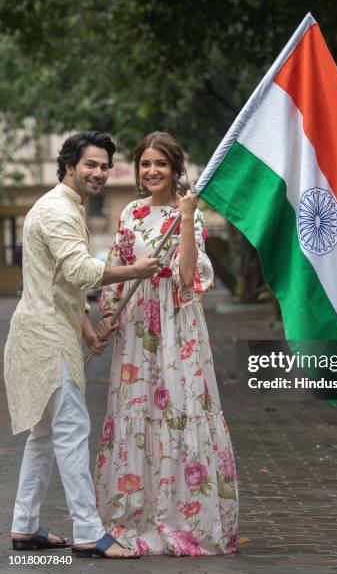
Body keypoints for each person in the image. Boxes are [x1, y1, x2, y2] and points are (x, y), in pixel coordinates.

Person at [4, 131, 160, 559]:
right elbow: (77, 270)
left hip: (44, 332)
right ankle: (90, 533)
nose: (99, 172)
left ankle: (23, 527)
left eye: (105, 166)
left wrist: (87, 326)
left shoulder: (67, 206)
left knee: (43, 435)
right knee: (70, 431)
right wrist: (134, 270)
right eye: (90, 164)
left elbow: (60, 284)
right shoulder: (57, 210)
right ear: (69, 165)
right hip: (45, 339)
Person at [94, 131, 238, 556]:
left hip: (177, 326)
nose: (152, 171)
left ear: (176, 169)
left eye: (160, 164)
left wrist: (191, 216)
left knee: (179, 408)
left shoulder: (186, 212)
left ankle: (186, 519)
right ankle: (135, 515)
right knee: (137, 412)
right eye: (145, 164)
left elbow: (190, 276)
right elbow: (117, 267)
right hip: (138, 326)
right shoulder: (131, 213)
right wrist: (106, 320)